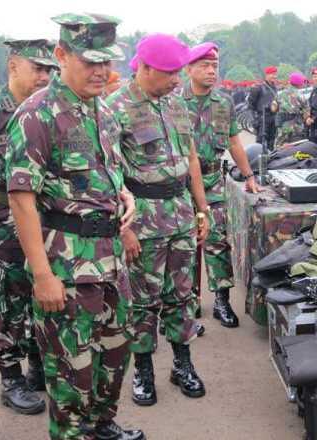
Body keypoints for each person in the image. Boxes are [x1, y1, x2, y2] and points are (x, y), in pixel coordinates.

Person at [5, 13, 144, 440]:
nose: (101, 71)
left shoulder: (100, 109)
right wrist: (43, 275)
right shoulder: (38, 114)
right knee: (70, 372)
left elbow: (104, 172)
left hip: (110, 263)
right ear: (62, 56)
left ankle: (102, 426)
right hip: (66, 268)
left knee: (114, 355)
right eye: (90, 61)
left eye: (107, 61)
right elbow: (21, 198)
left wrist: (125, 196)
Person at [107, 34, 211, 405]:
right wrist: (123, 228)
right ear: (145, 68)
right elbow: (110, 175)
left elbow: (193, 159)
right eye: (169, 73)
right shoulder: (114, 108)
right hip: (143, 220)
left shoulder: (176, 103)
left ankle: (182, 364)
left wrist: (202, 209)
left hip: (181, 211)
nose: (175, 79)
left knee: (183, 295)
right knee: (142, 300)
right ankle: (144, 370)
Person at [0, 38, 57, 416]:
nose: (44, 76)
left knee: (43, 289)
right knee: (5, 296)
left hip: (43, 219)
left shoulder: (48, 114)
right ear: (13, 66)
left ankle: (37, 367)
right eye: (37, 68)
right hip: (1, 222)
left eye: (49, 69)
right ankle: (10, 377)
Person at [182, 43, 259, 328]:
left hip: (213, 180)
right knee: (185, 245)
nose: (211, 71)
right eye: (204, 65)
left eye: (215, 65)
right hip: (181, 184)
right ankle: (188, 301)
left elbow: (234, 142)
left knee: (217, 241)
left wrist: (249, 175)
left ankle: (222, 301)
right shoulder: (175, 101)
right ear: (189, 69)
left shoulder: (224, 103)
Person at [274, 72, 310, 146]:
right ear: (300, 83)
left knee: (279, 147)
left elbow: (274, 108)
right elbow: (307, 114)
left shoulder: (280, 94)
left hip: (283, 127)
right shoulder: (301, 96)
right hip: (297, 128)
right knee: (297, 148)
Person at [248, 66, 278, 151]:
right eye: (272, 74)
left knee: (271, 143)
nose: (274, 76)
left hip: (273, 118)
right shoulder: (258, 88)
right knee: (260, 144)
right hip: (263, 118)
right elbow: (250, 106)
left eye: (275, 74)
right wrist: (254, 120)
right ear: (267, 75)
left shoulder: (275, 88)